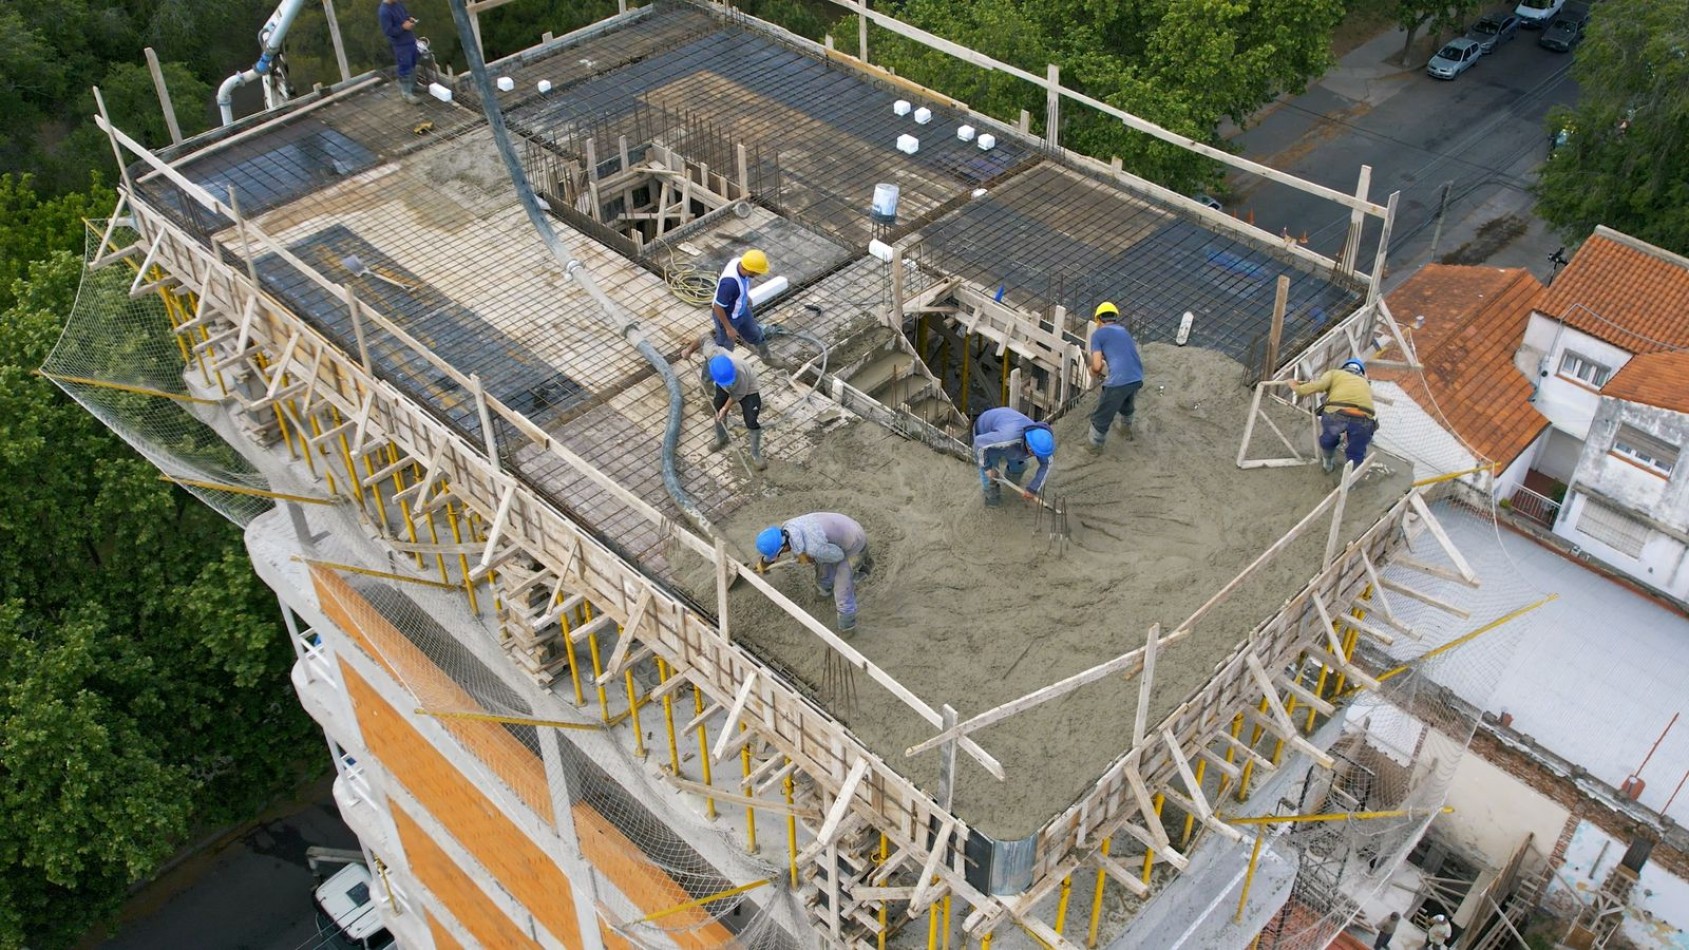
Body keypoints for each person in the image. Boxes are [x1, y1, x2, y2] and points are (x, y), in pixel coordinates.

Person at [756, 514, 872, 632]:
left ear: (784, 548)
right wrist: (763, 564)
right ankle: (824, 592)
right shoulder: (787, 527)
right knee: (824, 575)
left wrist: (811, 557)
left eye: (780, 552)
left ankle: (847, 627)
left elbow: (838, 556)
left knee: (842, 589)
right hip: (838, 528)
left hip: (853, 542)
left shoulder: (814, 547)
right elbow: (775, 551)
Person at [1292, 357, 1377, 473]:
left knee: (1329, 439)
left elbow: (1319, 386)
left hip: (1337, 413)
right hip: (1364, 419)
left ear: (1344, 367)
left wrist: (1297, 388)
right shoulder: (1366, 383)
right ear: (1361, 373)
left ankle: (1328, 463)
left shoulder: (1335, 373)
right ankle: (1351, 481)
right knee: (1357, 452)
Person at [1086, 301, 1145, 451]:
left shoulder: (1098, 335)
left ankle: (1093, 449)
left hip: (1119, 381)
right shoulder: (1124, 332)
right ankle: (1126, 432)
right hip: (1137, 376)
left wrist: (1092, 371)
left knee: (1100, 418)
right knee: (1127, 404)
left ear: (1099, 320)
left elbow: (1098, 366)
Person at [972, 407, 1055, 507]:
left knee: (1020, 466)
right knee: (991, 479)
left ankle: (1010, 485)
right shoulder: (1007, 437)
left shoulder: (1043, 443)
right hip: (985, 434)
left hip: (1007, 433)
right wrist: (987, 467)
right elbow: (979, 443)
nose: (1036, 456)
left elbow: (1047, 464)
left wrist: (1033, 489)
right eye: (1034, 453)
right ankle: (992, 502)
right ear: (1028, 444)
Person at [712, 249, 781, 367]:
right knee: (724, 349)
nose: (759, 274)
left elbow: (742, 283)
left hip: (742, 311)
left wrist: (743, 295)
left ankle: (767, 358)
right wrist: (729, 328)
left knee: (756, 334)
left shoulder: (739, 262)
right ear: (749, 270)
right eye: (757, 272)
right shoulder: (729, 283)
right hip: (728, 317)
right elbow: (717, 306)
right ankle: (711, 379)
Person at [705, 350, 766, 470]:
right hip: (723, 386)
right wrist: (688, 351)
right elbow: (704, 339)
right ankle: (721, 437)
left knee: (751, 420)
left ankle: (755, 454)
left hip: (748, 391)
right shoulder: (713, 357)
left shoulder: (739, 372)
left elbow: (738, 394)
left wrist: (725, 408)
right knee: (717, 410)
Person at [379, 0, 423, 104]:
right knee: (405, 66)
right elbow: (388, 31)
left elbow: (404, 15)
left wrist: (409, 19)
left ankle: (414, 85)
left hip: (410, 40)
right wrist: (403, 27)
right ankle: (406, 93)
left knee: (413, 63)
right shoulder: (384, 11)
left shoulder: (397, 4)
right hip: (400, 45)